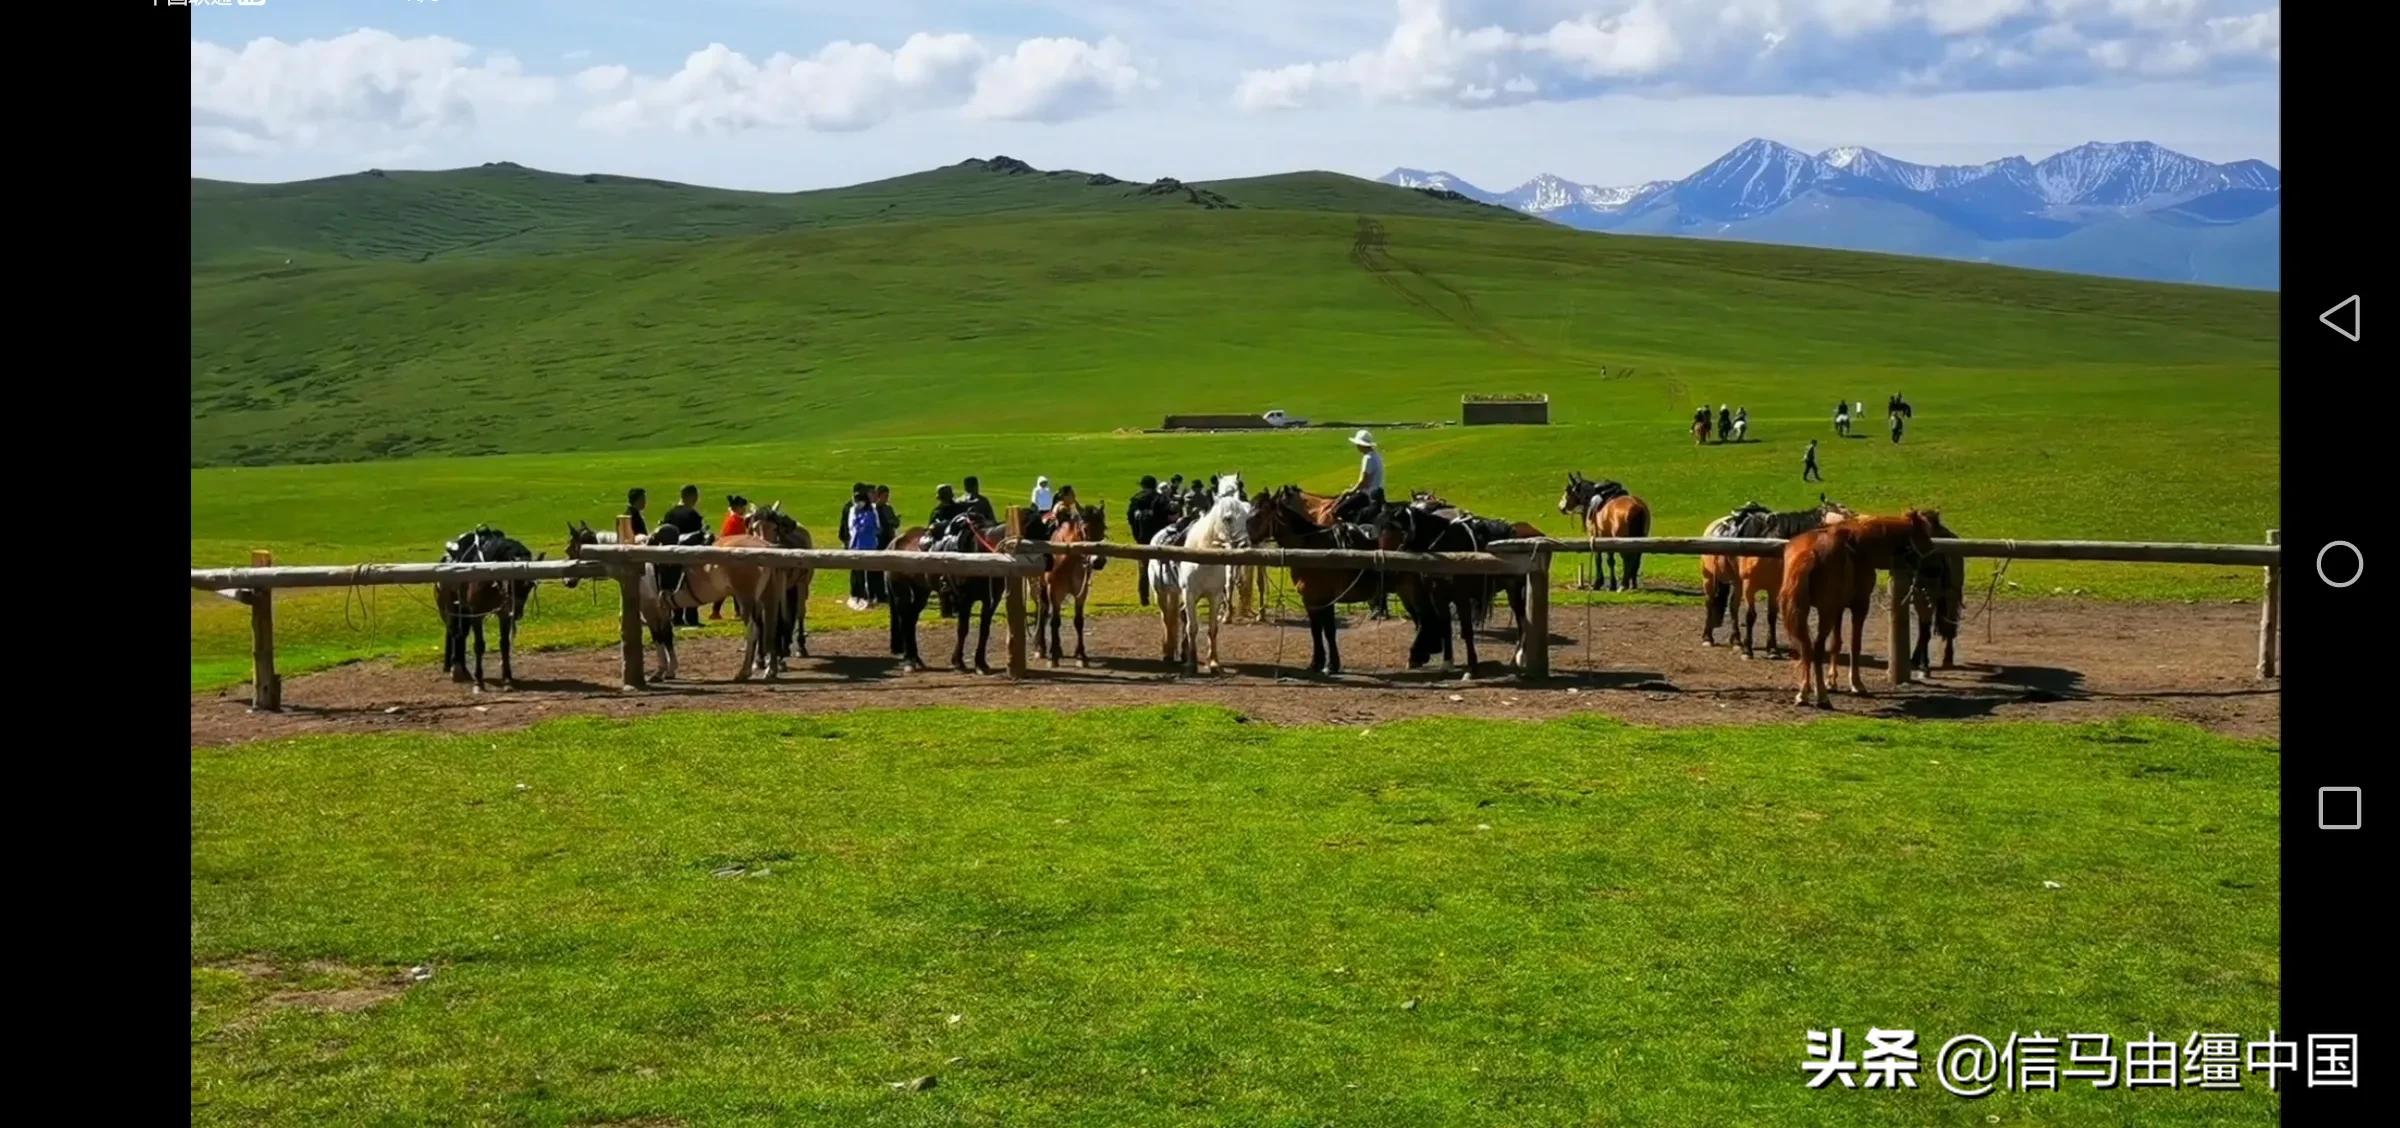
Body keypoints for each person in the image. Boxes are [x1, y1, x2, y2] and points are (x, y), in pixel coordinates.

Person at [657, 485, 708, 625]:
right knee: (691, 586)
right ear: (691, 496)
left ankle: (677, 617)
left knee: (674, 585)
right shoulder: (693, 515)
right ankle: (691, 618)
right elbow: (698, 537)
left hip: (671, 556)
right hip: (689, 557)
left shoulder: (669, 513)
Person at [714, 495, 752, 619]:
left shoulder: (731, 517)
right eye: (743, 507)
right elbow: (743, 536)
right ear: (738, 507)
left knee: (732, 586)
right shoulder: (736, 521)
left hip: (726, 553)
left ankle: (723, 611)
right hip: (732, 554)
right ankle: (736, 611)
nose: (744, 510)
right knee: (736, 586)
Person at [1334, 429, 1384, 522]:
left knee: (1338, 510)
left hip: (1366, 495)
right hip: (1377, 494)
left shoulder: (1367, 458)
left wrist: (1350, 491)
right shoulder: (1376, 456)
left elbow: (1363, 482)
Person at [847, 484, 879, 609]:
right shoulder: (852, 510)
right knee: (858, 572)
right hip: (857, 544)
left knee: (870, 571)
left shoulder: (872, 510)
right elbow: (851, 527)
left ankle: (871, 595)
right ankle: (858, 595)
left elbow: (877, 526)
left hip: (870, 543)